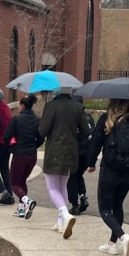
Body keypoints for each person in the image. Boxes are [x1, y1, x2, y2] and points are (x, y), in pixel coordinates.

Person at [86, 98, 129, 256]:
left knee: (105, 208)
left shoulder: (107, 120)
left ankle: (123, 237)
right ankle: (112, 243)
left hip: (110, 170)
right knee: (118, 205)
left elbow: (96, 143)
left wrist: (91, 163)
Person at [40, 86, 84, 238]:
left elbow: (43, 130)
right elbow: (84, 129)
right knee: (62, 185)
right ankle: (60, 222)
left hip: (54, 150)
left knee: (52, 187)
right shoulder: (78, 107)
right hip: (71, 150)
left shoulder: (51, 106)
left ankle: (65, 215)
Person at [3, 93, 43, 219]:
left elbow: (6, 137)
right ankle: (21, 209)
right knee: (22, 181)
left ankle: (27, 201)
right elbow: (41, 138)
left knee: (14, 182)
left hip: (19, 154)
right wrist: (33, 146)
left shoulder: (16, 120)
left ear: (21, 106)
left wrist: (12, 148)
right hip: (32, 155)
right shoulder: (37, 120)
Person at [68, 95, 94, 216]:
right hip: (87, 153)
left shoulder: (75, 118)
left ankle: (74, 204)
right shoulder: (89, 117)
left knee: (72, 177)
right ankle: (83, 196)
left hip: (77, 152)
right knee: (79, 175)